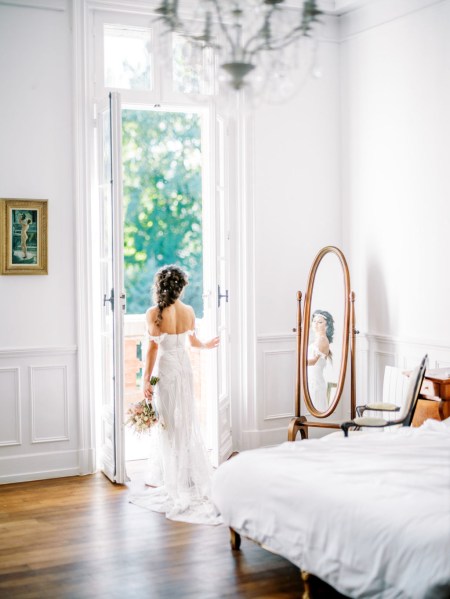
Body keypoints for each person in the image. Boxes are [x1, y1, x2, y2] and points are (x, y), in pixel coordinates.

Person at [130, 264, 221, 525]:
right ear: (180, 287)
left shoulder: (154, 313)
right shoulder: (189, 311)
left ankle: (173, 475)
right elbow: (192, 343)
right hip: (185, 370)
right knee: (185, 418)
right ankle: (185, 472)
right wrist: (207, 345)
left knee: (168, 422)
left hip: (165, 371)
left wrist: (147, 380)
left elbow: (152, 351)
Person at [307, 310, 334, 412]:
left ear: (327, 326)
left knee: (316, 403)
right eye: (314, 321)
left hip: (315, 379)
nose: (315, 324)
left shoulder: (322, 340)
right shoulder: (318, 338)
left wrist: (298, 362)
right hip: (312, 376)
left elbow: (313, 361)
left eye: (320, 322)